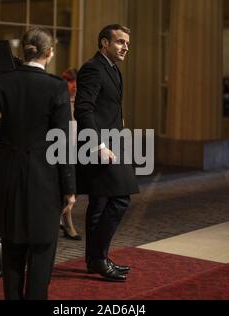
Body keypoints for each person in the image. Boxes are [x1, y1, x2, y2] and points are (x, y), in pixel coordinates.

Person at [0, 28, 76, 300]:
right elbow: (62, 143)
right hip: (45, 182)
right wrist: (70, 189)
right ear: (49, 53)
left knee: (12, 251)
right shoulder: (56, 86)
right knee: (41, 253)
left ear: (22, 52)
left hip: (9, 180)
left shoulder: (4, 82)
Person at [74, 24, 140, 282]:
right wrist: (98, 146)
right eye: (120, 42)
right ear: (104, 43)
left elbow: (107, 106)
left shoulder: (113, 69)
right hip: (100, 146)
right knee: (121, 198)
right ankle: (99, 259)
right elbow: (83, 109)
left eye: (127, 44)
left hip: (112, 142)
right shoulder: (93, 68)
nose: (125, 47)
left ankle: (94, 260)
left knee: (100, 204)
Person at [59, 68, 82, 241]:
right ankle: (67, 222)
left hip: (78, 146)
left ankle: (65, 219)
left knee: (74, 188)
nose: (73, 86)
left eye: (75, 82)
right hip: (61, 147)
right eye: (70, 81)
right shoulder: (58, 100)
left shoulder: (79, 100)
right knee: (65, 189)